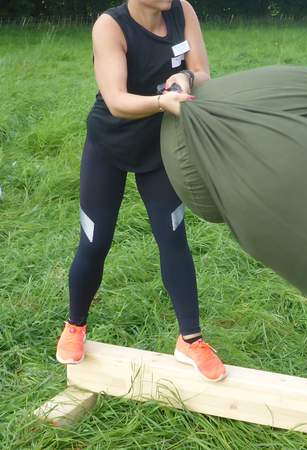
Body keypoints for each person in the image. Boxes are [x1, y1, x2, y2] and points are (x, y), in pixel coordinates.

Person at [55, 0, 227, 382]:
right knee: (95, 242)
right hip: (109, 147)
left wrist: (186, 80)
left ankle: (190, 339)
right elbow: (116, 101)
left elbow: (202, 72)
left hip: (160, 147)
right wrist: (162, 101)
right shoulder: (110, 26)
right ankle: (75, 324)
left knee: (173, 237)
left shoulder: (182, 11)